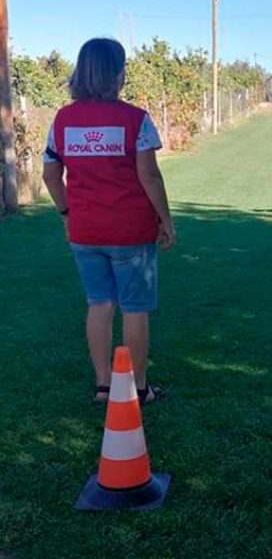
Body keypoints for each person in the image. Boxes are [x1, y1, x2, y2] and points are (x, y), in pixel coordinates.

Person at [42, 38, 176, 404]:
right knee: (135, 309)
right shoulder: (136, 119)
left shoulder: (63, 120)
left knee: (99, 303)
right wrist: (166, 219)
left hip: (85, 231)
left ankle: (103, 386)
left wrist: (67, 213)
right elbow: (149, 177)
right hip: (130, 231)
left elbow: (51, 176)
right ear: (117, 73)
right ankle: (138, 387)